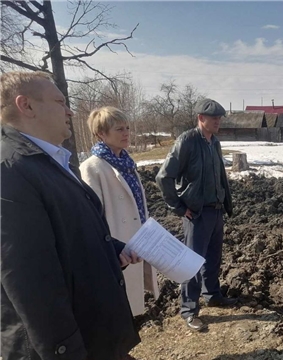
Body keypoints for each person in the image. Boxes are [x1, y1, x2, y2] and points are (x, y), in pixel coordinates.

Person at [1, 71, 141, 360]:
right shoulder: (10, 171)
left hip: (91, 332)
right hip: (65, 346)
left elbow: (70, 231)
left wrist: (112, 249)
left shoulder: (50, 161)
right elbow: (30, 282)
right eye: (60, 101)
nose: (70, 111)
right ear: (26, 106)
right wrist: (67, 352)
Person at [155, 98, 236, 331]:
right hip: (196, 213)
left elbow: (220, 175)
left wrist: (225, 202)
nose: (218, 121)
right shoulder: (187, 141)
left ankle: (213, 295)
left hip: (215, 210)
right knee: (191, 263)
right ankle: (189, 310)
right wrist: (179, 208)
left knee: (213, 258)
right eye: (214, 118)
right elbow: (164, 177)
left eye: (220, 117)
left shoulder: (215, 142)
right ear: (201, 118)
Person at [80, 106, 160, 317]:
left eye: (127, 128)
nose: (126, 133)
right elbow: (91, 216)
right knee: (114, 306)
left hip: (137, 239)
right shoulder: (92, 167)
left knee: (130, 304)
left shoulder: (127, 163)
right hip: (116, 246)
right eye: (119, 129)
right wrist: (111, 247)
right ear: (101, 134)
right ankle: (118, 349)